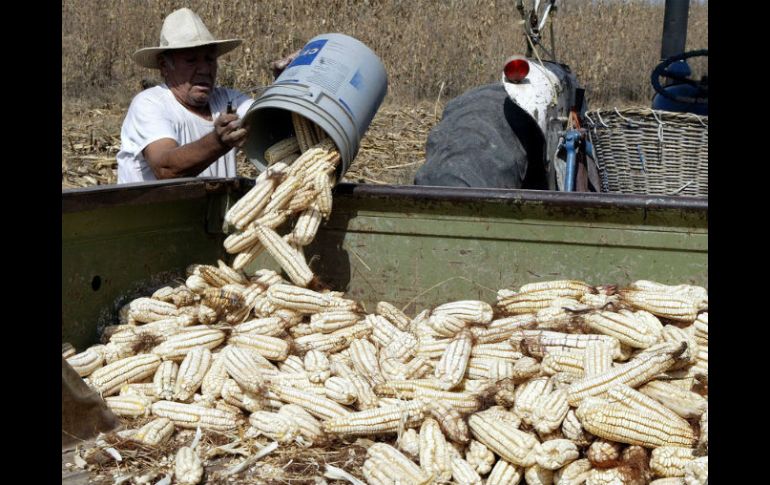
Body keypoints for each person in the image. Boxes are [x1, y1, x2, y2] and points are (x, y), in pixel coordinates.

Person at [117, 8, 253, 183]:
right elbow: (165, 169)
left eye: (209, 59)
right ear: (164, 65)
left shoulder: (229, 100)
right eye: (191, 60)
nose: (205, 69)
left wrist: (284, 79)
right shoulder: (149, 104)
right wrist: (218, 142)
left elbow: (267, 115)